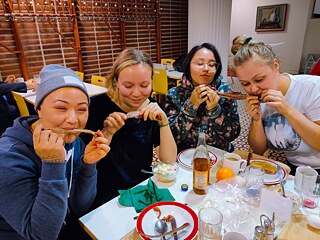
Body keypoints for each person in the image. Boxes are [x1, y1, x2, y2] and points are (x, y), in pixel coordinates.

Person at [0, 65, 110, 240]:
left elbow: (80, 206)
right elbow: (42, 236)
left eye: (81, 109)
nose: (73, 120)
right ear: (39, 109)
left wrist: (88, 165)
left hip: (64, 224)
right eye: (61, 108)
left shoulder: (75, 141)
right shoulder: (8, 157)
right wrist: (53, 163)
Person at [82, 49, 177, 207]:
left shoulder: (152, 109)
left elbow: (168, 161)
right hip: (105, 193)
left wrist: (164, 122)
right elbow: (84, 165)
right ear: (115, 82)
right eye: (128, 86)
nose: (136, 94)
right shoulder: (96, 107)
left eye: (144, 85)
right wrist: (107, 133)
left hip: (140, 188)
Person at [232, 38, 320, 174]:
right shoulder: (260, 99)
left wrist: (287, 110)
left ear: (276, 65)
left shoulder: (313, 87)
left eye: (259, 79)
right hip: (293, 168)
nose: (254, 89)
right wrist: (256, 119)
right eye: (245, 84)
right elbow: (259, 150)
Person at [164, 43, 241, 152]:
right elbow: (170, 137)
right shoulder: (174, 94)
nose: (206, 69)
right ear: (188, 66)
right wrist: (191, 105)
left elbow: (232, 135)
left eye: (211, 64)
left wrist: (215, 110)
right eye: (200, 63)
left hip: (218, 156)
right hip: (184, 157)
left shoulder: (225, 93)